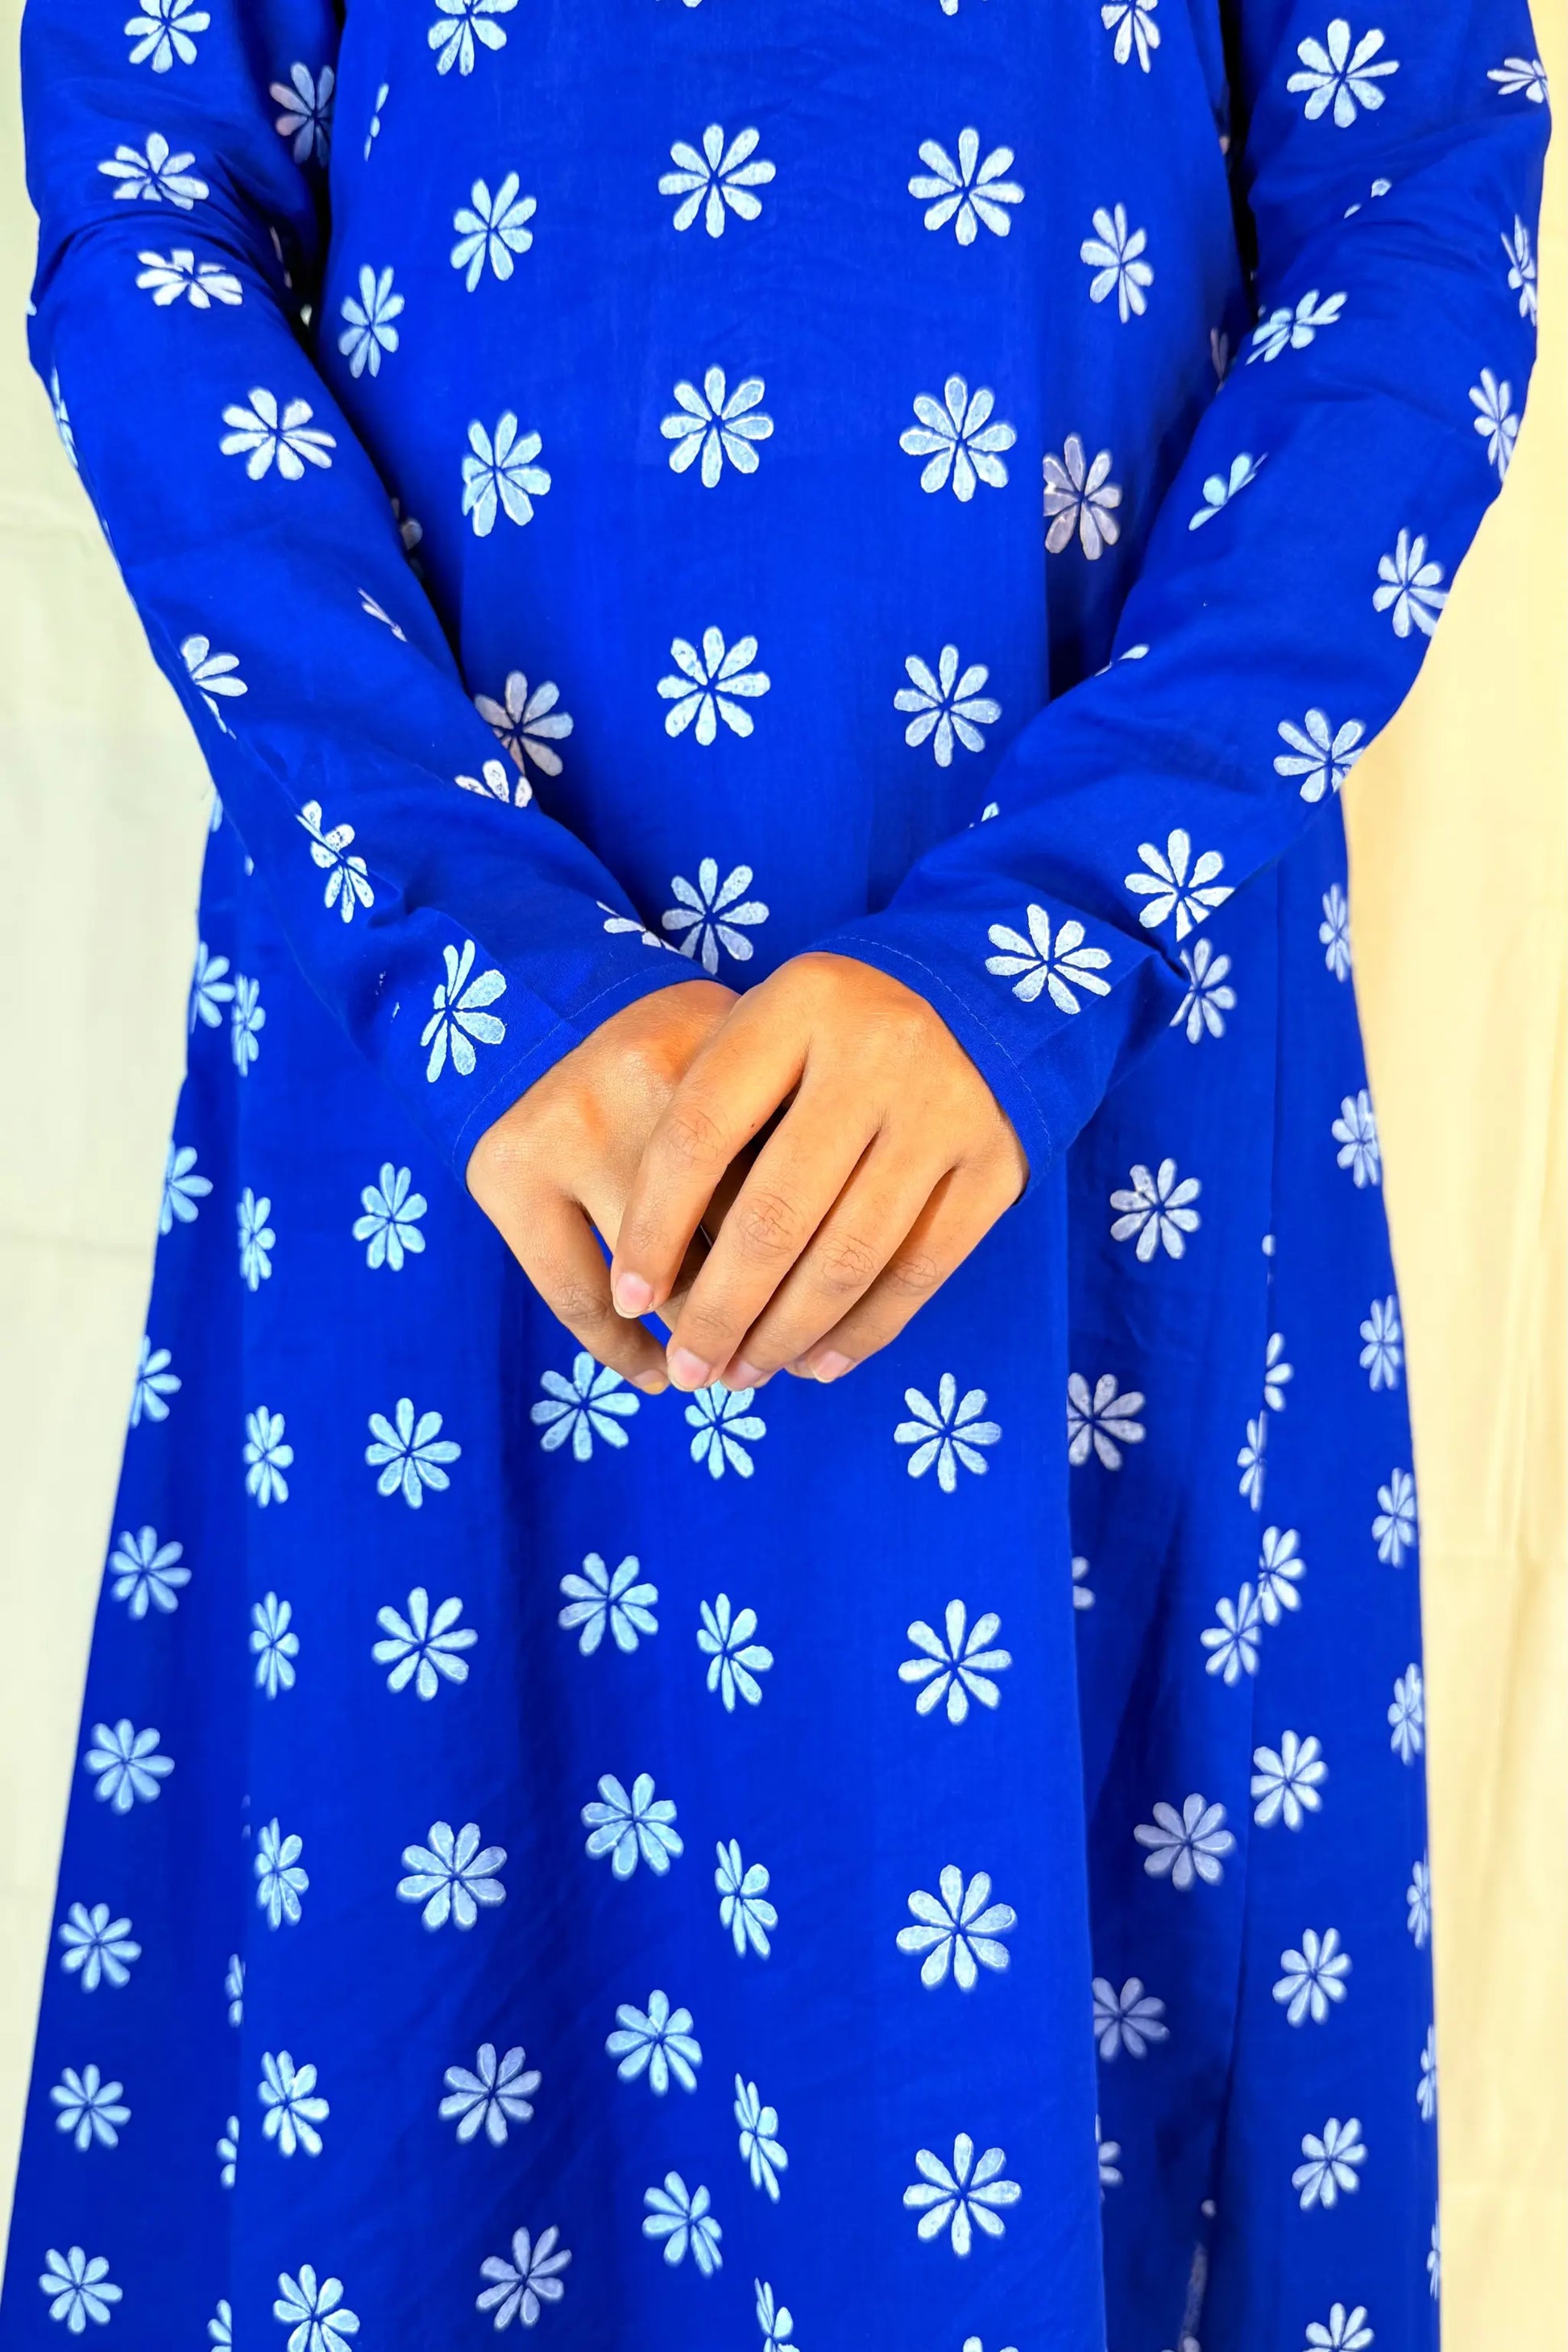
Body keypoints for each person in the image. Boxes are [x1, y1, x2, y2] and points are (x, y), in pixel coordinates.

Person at [2, 0, 1546, 2343]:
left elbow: (1418, 223)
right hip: (455, 1100)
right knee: (416, 2067)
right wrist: (478, 964)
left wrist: (1039, 946)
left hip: (1074, 1111)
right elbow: (146, 212)